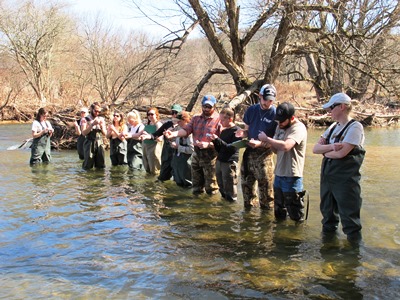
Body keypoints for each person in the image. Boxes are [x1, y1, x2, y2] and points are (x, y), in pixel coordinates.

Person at [312, 92, 366, 242]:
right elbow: (315, 149)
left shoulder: (355, 127)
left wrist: (326, 151)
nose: (328, 111)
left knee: (350, 219)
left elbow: (342, 153)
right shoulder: (333, 127)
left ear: (342, 107)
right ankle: (329, 249)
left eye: (331, 107)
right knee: (327, 215)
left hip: (346, 181)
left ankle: (352, 257)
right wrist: (331, 147)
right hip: (328, 177)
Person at [258, 102, 307, 221]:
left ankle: (296, 238)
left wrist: (267, 139)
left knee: (295, 213)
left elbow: (286, 146)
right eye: (278, 121)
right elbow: (276, 149)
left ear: (292, 118)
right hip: (279, 174)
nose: (279, 124)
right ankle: (279, 236)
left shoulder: (298, 128)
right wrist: (267, 143)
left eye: (282, 121)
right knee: (279, 212)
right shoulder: (279, 126)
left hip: (292, 175)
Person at [164, 95, 221, 195]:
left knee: (211, 187)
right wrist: (173, 134)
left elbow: (222, 141)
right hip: (196, 154)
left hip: (211, 156)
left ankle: (211, 208)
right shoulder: (195, 118)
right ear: (202, 105)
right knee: (196, 186)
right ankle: (196, 207)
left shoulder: (219, 119)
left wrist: (208, 144)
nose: (206, 109)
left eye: (209, 107)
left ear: (214, 107)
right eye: (205, 106)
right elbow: (186, 130)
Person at [235, 84, 277, 209]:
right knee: (247, 189)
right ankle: (249, 220)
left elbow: (276, 140)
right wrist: (242, 133)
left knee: (266, 193)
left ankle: (266, 222)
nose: (268, 103)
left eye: (271, 100)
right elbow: (247, 131)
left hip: (265, 155)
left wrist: (261, 143)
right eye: (265, 99)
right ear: (260, 96)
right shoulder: (252, 110)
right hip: (249, 153)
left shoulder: (275, 114)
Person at [207, 107, 242, 201]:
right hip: (220, 161)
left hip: (229, 163)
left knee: (230, 190)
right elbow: (220, 149)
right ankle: (224, 206)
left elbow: (231, 148)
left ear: (230, 119)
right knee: (221, 187)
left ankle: (231, 210)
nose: (220, 122)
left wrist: (218, 140)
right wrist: (214, 141)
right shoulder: (224, 131)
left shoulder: (237, 131)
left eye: (222, 120)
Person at [141, 104, 183, 181]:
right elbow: (156, 134)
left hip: (178, 154)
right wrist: (149, 136)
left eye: (176, 112)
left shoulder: (183, 125)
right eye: (172, 112)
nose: (174, 115)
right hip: (166, 154)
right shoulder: (167, 124)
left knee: (178, 178)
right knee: (162, 177)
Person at [80, 102, 107, 169]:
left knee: (101, 164)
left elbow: (105, 133)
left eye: (99, 111)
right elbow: (83, 133)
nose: (97, 113)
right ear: (91, 109)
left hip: (99, 142)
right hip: (89, 142)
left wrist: (101, 126)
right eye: (95, 111)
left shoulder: (101, 119)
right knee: (88, 164)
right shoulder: (85, 119)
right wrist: (92, 125)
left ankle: (100, 177)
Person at [170, 111, 194, 187]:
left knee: (187, 184)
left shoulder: (190, 133)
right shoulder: (178, 129)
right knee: (178, 182)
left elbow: (192, 149)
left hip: (186, 162)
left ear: (185, 120)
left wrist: (178, 147)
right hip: (178, 159)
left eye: (179, 121)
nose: (178, 123)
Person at [142, 107, 163, 175]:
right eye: (148, 114)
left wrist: (149, 136)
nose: (150, 116)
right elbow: (140, 134)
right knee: (147, 169)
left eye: (152, 114)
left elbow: (160, 139)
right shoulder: (148, 124)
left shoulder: (158, 124)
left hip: (154, 149)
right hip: (146, 148)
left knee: (154, 170)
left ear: (156, 115)